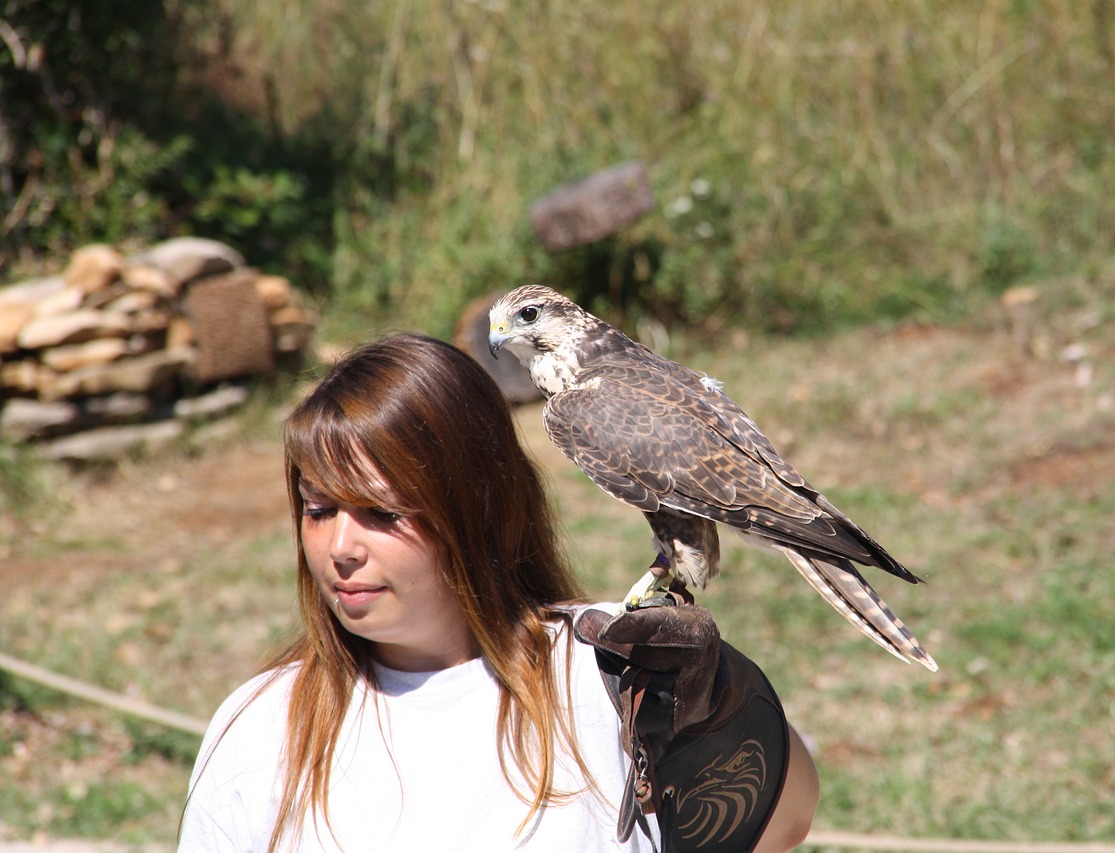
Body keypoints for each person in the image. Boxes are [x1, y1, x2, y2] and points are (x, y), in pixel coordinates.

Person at [179, 332, 818, 852]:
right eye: (318, 510)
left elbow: (786, 821)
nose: (340, 546)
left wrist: (718, 712)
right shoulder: (261, 724)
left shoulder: (611, 665)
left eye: (382, 513)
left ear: (479, 507)